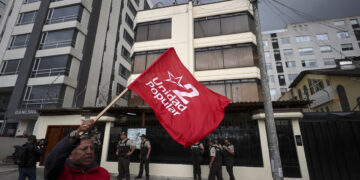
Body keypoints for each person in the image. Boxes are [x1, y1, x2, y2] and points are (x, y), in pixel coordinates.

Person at [44, 119, 110, 180]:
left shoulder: (103, 173)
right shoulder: (60, 171)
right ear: (70, 153)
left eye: (92, 148)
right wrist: (77, 133)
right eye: (84, 149)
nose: (89, 152)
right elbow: (53, 158)